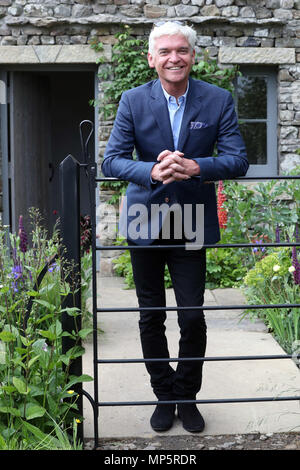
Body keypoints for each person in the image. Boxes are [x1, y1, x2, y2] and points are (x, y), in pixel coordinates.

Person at [102, 21, 248, 433]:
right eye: (164, 51)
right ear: (152, 59)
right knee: (150, 316)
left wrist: (197, 166)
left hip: (191, 220)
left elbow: (238, 159)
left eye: (181, 50)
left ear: (192, 56)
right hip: (144, 218)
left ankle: (187, 395)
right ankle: (164, 397)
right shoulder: (132, 100)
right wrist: (153, 169)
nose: (173, 58)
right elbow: (112, 160)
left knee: (192, 317)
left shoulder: (217, 100)